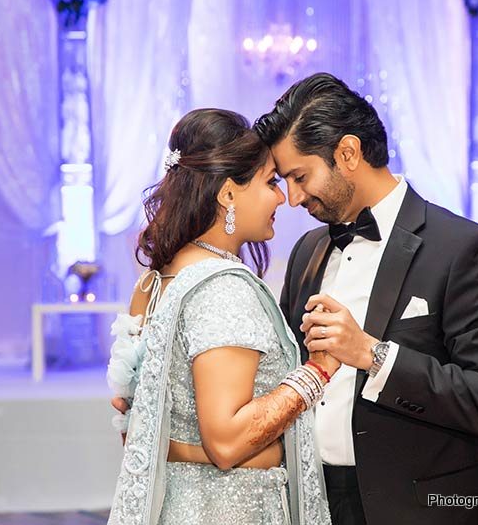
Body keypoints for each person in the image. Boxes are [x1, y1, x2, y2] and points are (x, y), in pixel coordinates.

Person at [251, 72, 478, 525]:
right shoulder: (308, 250)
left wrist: (374, 355)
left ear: (348, 153)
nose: (294, 197)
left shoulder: (463, 248)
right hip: (314, 504)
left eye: (300, 176)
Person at [105, 109, 333, 525]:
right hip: (233, 509)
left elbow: (134, 427)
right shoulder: (222, 287)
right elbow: (227, 442)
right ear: (228, 193)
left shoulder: (154, 281)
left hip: (176, 506)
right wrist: (318, 370)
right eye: (269, 183)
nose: (281, 198)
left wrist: (180, 449)